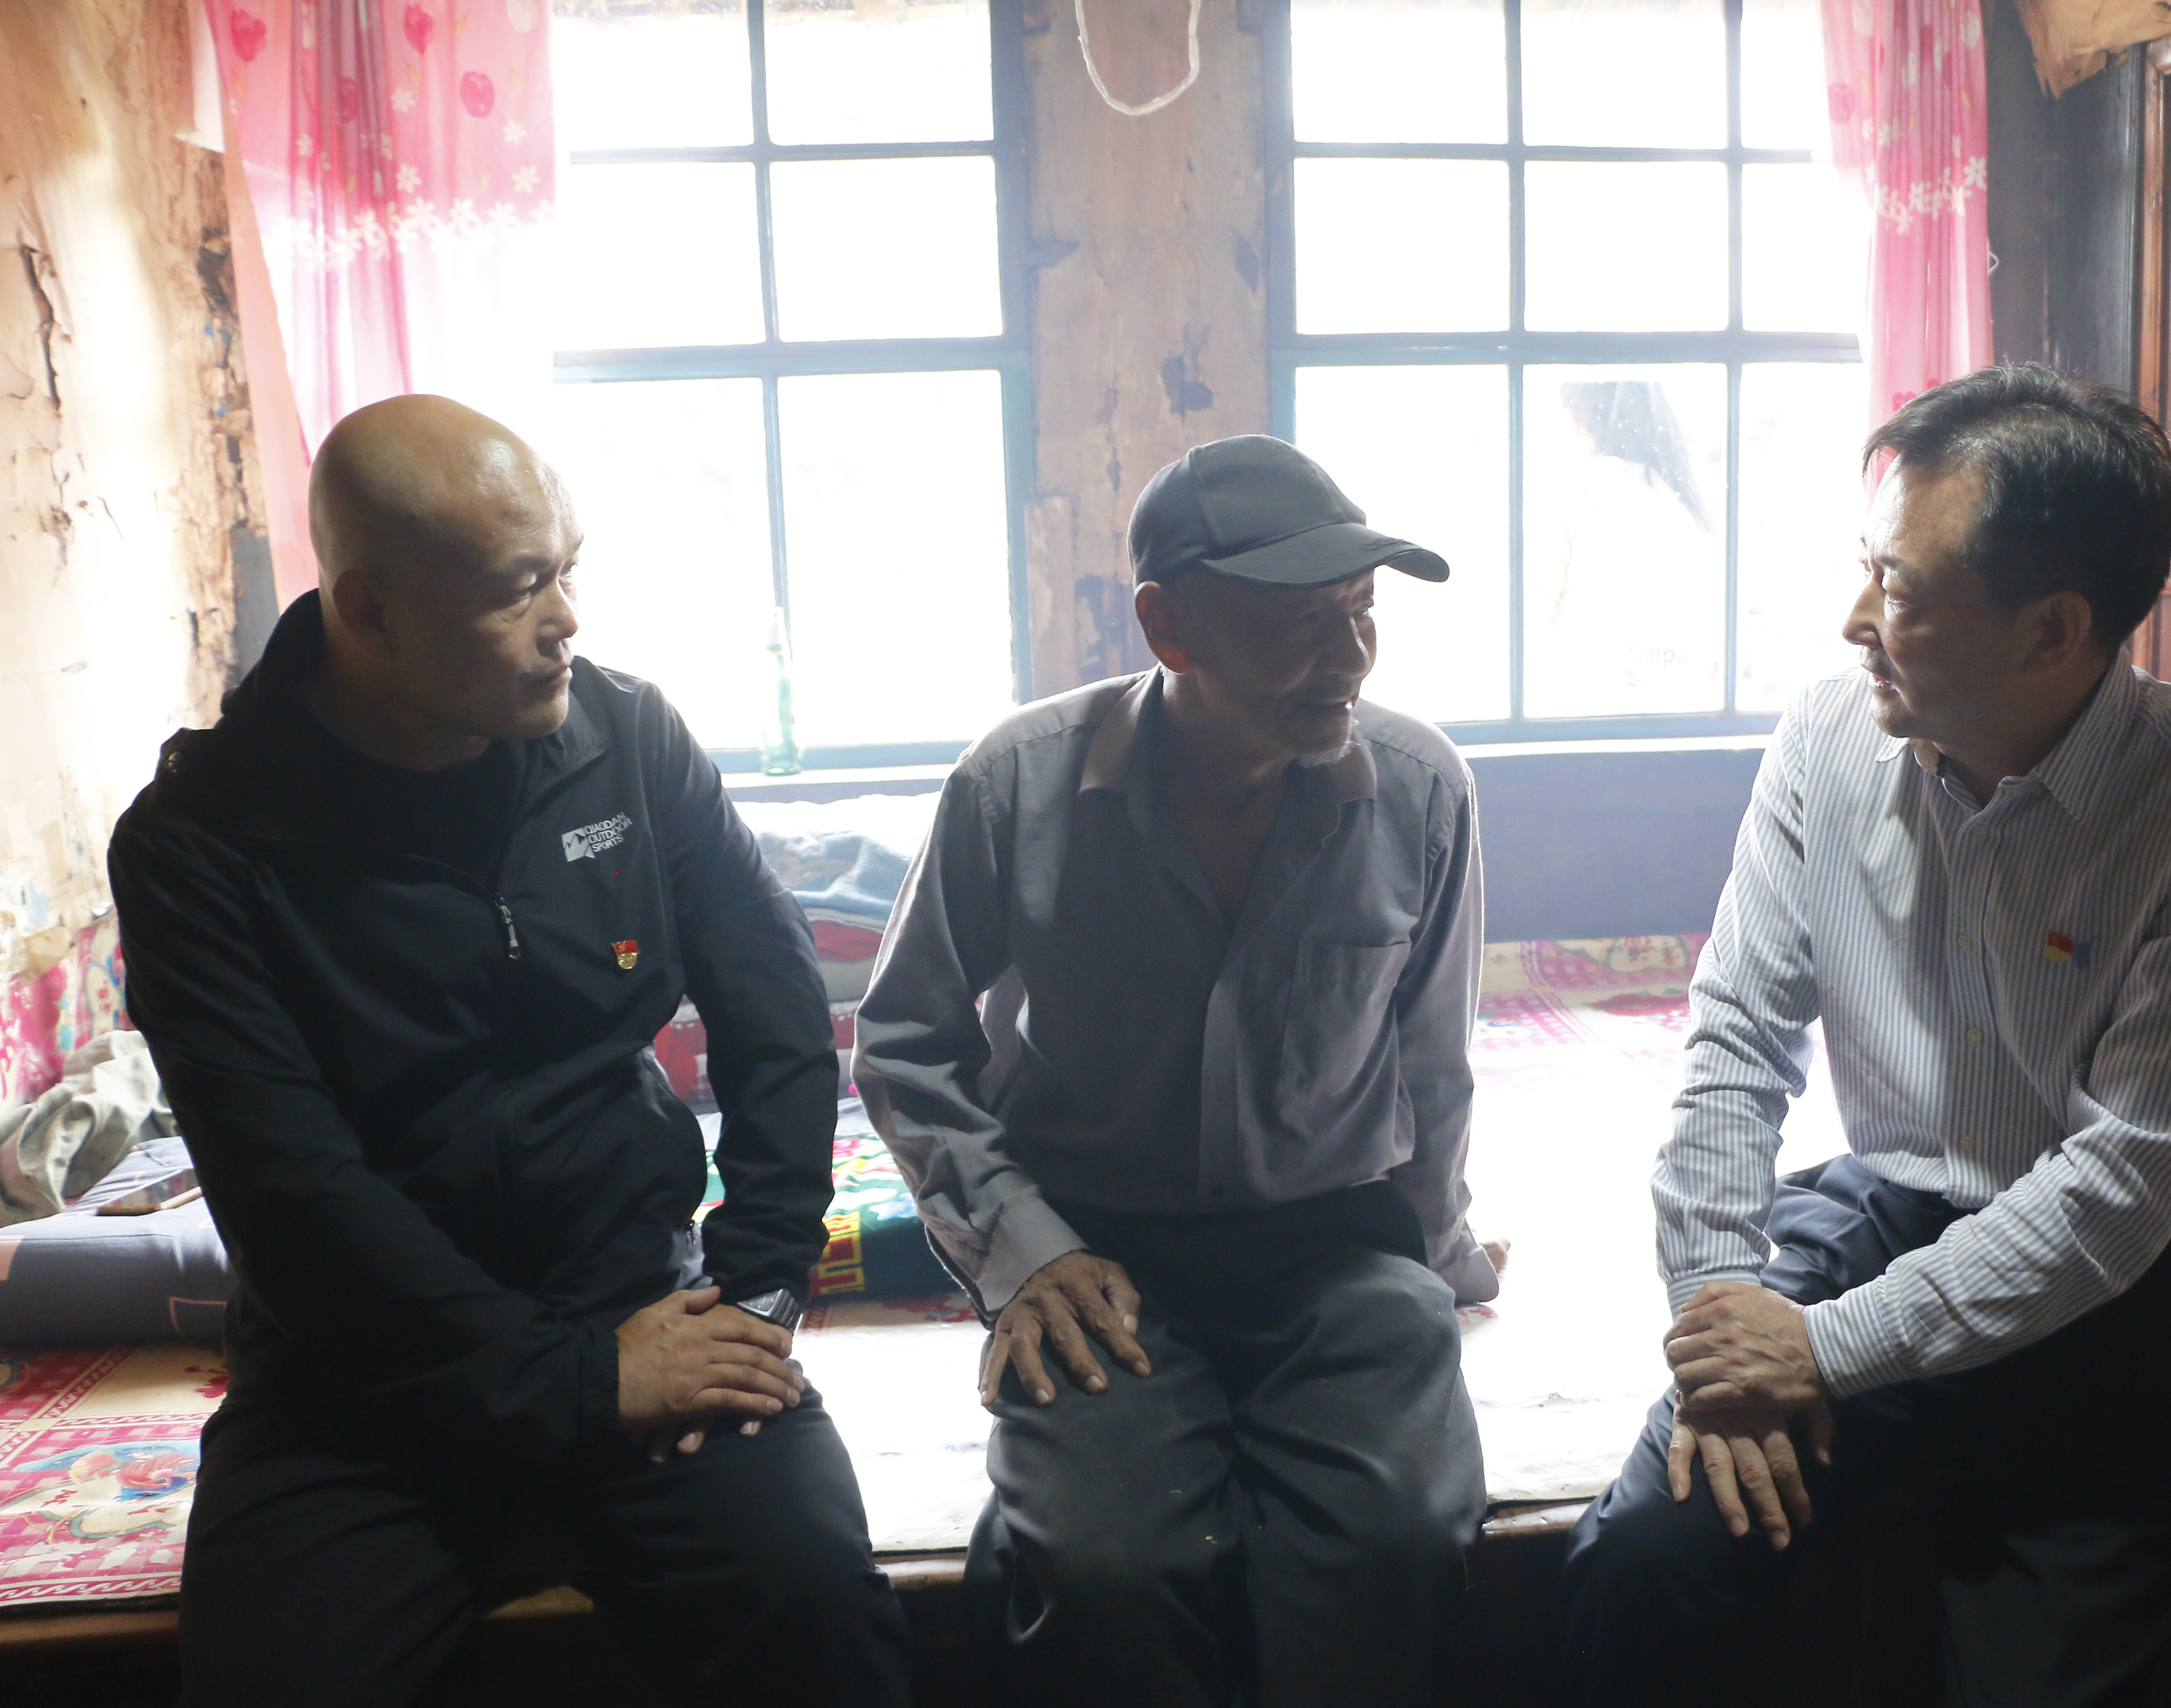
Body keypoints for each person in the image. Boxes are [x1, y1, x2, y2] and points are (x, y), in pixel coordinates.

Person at [108, 395, 910, 1708]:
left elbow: (779, 1024)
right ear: (370, 615)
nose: (568, 620)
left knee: (821, 1623)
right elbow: (291, 1187)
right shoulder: (203, 843)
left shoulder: (629, 740)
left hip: (649, 1309)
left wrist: (760, 1293)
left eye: (570, 569)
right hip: (359, 1383)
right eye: (519, 587)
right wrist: (582, 1383)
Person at [1560, 365, 2171, 1706]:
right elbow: (1736, 1038)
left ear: (2052, 632)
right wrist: (1720, 1317)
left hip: (2115, 1304)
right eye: (1866, 568)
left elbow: (2116, 1191)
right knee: (1644, 1564)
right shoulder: (1827, 738)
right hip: (1882, 1219)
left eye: (1900, 590)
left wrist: (1817, 1351)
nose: (1856, 620)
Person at [856, 434, 1503, 1708]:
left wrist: (1448, 1259)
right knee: (1101, 1567)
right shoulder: (1017, 786)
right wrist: (1019, 1250)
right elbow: (906, 1039)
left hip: (1335, 1248)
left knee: (1399, 1544)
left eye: (1362, 611)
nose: (1350, 657)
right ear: (1168, 627)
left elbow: (1434, 1061)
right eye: (1301, 620)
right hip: (1095, 1258)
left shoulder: (1420, 789)